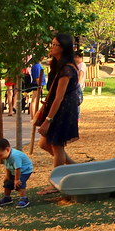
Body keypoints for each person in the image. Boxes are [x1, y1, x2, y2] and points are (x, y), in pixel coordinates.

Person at [34, 33, 80, 180]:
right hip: (57, 106)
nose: (51, 47)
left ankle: (57, 180)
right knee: (44, 143)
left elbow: (59, 97)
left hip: (64, 109)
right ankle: (75, 167)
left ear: (63, 48)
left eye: (55, 45)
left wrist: (48, 120)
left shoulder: (67, 69)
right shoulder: (57, 65)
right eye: (52, 44)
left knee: (57, 145)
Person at [0, 137, 33, 208]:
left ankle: (24, 199)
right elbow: (7, 166)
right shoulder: (5, 156)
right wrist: (7, 175)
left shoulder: (14, 156)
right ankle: (7, 198)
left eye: (0, 155)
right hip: (14, 170)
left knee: (19, 184)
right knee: (8, 183)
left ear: (7, 149)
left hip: (24, 171)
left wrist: (16, 179)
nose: (0, 158)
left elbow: (18, 168)